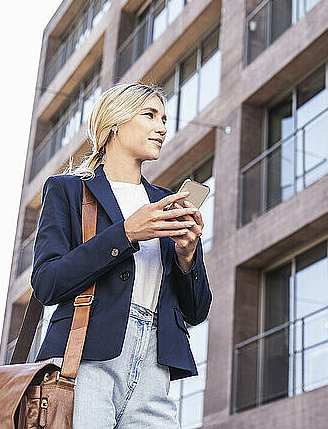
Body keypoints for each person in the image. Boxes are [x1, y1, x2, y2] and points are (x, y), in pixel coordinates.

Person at [32, 82, 212, 428]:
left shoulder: (167, 203)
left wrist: (188, 257)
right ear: (115, 122)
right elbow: (46, 284)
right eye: (150, 115)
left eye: (164, 118)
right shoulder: (69, 190)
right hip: (84, 361)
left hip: (155, 366)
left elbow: (197, 310)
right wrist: (126, 233)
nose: (162, 127)